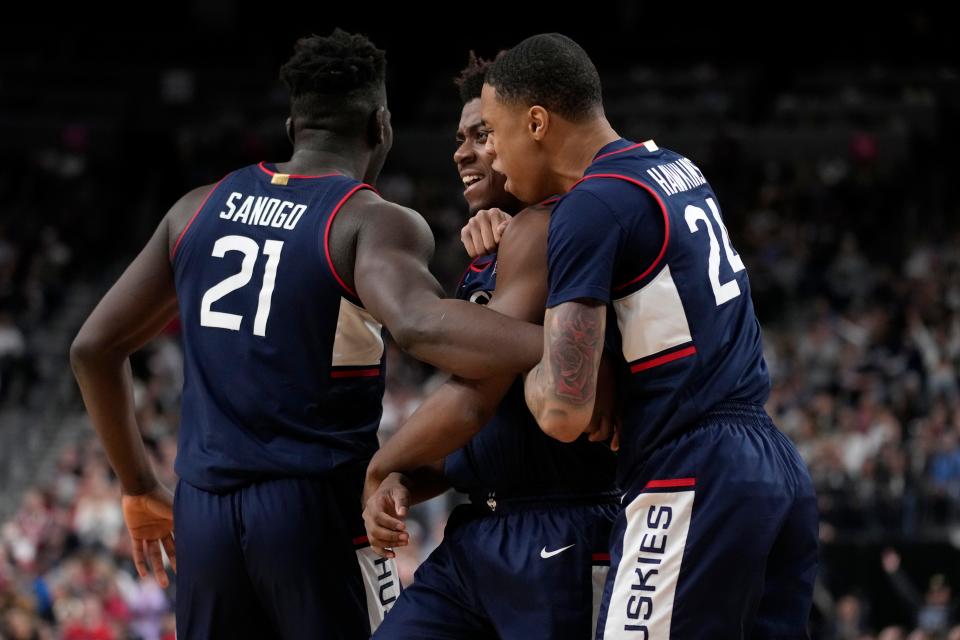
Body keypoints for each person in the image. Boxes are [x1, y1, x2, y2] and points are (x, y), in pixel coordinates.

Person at [70, 30, 542, 640]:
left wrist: (137, 486)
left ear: (294, 127)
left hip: (203, 510)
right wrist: (565, 349)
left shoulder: (194, 210)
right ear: (381, 127)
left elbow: (92, 348)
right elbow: (420, 325)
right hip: (314, 510)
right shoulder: (370, 220)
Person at [480, 33, 819, 638]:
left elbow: (562, 410)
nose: (494, 159)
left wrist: (531, 361)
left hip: (693, 474)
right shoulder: (674, 168)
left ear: (535, 122)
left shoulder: (591, 205)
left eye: (493, 133)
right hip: (774, 465)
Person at [364, 52, 618, 640]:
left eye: (484, 134)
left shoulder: (566, 226)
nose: (466, 152)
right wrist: (410, 480)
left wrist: (386, 464)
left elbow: (475, 396)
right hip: (479, 527)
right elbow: (480, 426)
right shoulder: (487, 255)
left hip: (565, 524)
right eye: (461, 137)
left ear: (527, 130)